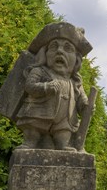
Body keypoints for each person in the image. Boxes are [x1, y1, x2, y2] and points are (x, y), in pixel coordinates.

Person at [15, 22, 92, 151]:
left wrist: (85, 105)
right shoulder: (40, 71)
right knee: (32, 130)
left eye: (68, 49)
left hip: (64, 119)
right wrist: (46, 87)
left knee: (64, 132)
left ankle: (63, 145)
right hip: (39, 113)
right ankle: (30, 143)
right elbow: (29, 86)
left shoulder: (75, 81)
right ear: (44, 54)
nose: (60, 51)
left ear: (76, 60)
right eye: (54, 47)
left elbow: (81, 99)